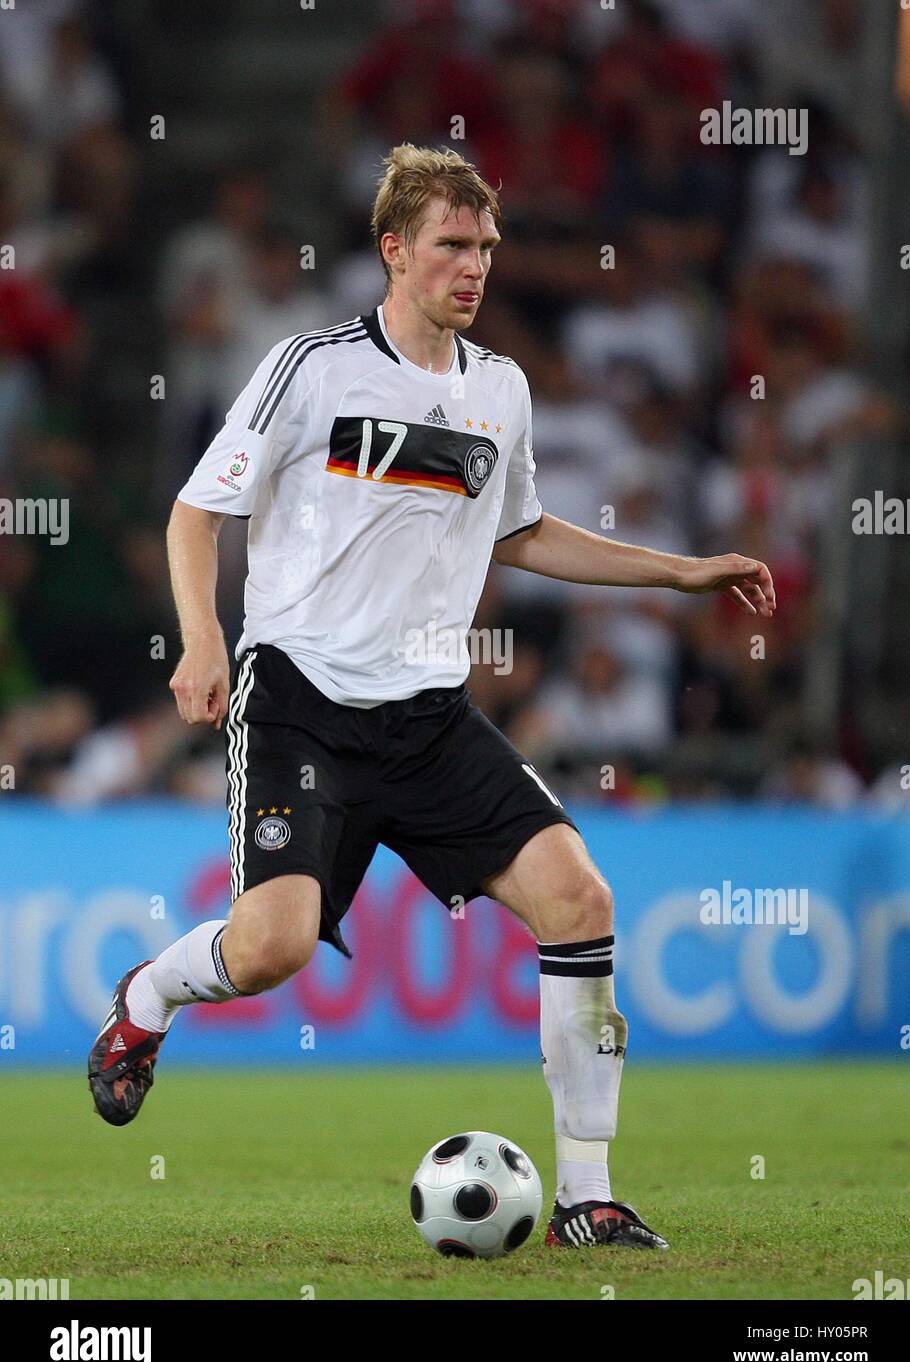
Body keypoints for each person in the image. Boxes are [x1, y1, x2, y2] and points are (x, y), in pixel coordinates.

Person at [88, 144, 775, 1251]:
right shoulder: (310, 368)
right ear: (394, 249)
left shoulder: (499, 389)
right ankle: (148, 1000)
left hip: (429, 715)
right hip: (301, 694)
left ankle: (587, 1198)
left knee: (582, 902)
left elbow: (527, 531)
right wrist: (204, 636)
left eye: (488, 248)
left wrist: (680, 570)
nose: (474, 266)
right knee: (272, 950)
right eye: (453, 245)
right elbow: (192, 512)